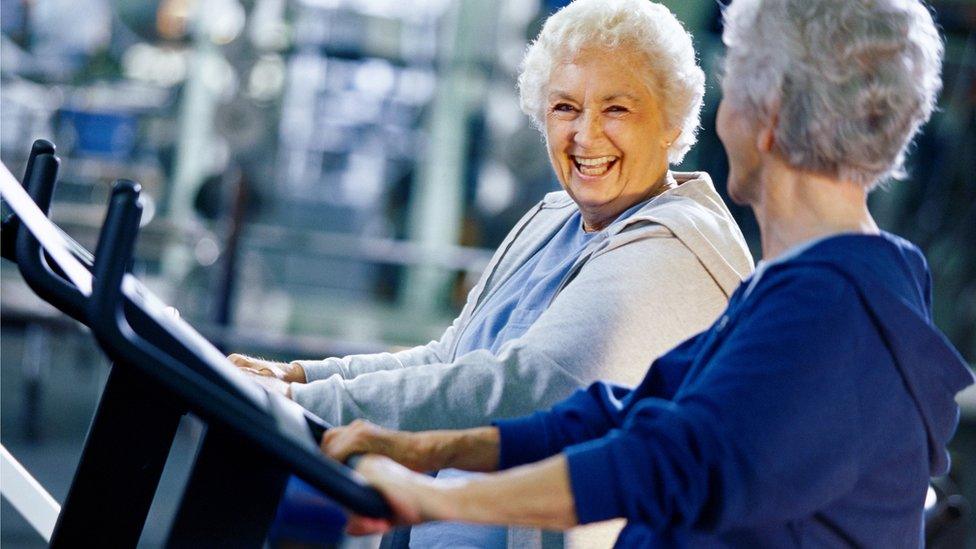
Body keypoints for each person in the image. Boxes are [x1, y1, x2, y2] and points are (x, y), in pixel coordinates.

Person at [319, 0, 976, 545]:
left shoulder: (826, 306)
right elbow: (619, 414)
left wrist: (441, 502)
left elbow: (665, 461)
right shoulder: (847, 283)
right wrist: (432, 449)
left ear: (767, 115)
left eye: (732, 84)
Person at [232, 0, 753, 545]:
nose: (586, 135)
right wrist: (297, 377)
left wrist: (305, 406)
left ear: (671, 121)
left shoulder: (675, 245)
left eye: (617, 109)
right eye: (565, 108)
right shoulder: (553, 217)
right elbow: (450, 357)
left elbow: (523, 389)